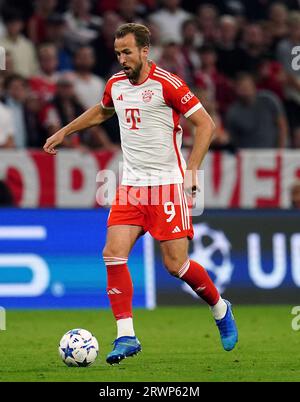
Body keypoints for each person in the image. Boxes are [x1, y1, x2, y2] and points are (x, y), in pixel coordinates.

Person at [43, 23, 238, 365]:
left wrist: (192, 168)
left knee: (176, 265)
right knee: (113, 254)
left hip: (166, 185)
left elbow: (206, 124)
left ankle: (220, 308)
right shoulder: (116, 85)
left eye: (128, 52)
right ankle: (126, 335)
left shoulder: (168, 84)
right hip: (131, 187)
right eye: (118, 53)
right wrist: (65, 131)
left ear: (145, 51)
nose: (122, 59)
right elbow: (103, 111)